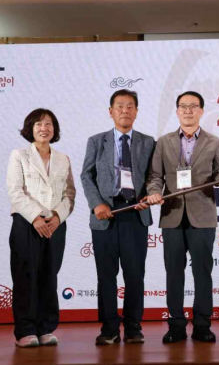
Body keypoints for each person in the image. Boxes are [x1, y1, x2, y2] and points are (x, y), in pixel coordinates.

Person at [147, 91, 219, 343]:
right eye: (183, 106)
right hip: (172, 214)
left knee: (202, 272)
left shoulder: (214, 141)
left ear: (201, 111)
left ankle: (202, 324)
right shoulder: (163, 142)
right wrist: (154, 192)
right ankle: (176, 325)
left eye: (193, 106)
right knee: (173, 273)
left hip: (203, 215)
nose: (188, 110)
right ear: (177, 111)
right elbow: (155, 176)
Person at [81, 89, 155, 345]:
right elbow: (86, 175)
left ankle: (133, 326)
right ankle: (109, 327)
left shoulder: (148, 142)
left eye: (130, 106)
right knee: (106, 274)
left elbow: (155, 176)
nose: (125, 110)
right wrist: (96, 204)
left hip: (136, 213)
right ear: (110, 111)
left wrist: (149, 195)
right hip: (105, 215)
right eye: (120, 106)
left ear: (136, 111)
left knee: (135, 274)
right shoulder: (96, 141)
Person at [7, 108, 75, 347]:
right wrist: (36, 217)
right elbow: (15, 191)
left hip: (55, 225)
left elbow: (69, 194)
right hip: (27, 223)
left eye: (48, 124)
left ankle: (46, 328)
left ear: (54, 129)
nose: (44, 128)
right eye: (38, 124)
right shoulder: (19, 155)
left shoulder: (63, 159)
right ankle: (25, 331)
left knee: (49, 275)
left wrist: (57, 216)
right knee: (26, 275)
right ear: (30, 128)